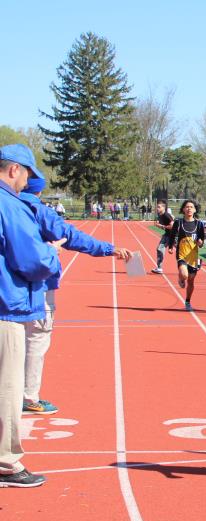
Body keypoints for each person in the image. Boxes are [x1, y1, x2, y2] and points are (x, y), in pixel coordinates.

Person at [19, 176, 131, 413]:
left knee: (11, 339)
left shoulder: (7, 205)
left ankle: (10, 394)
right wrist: (109, 249)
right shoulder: (38, 211)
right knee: (36, 337)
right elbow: (71, 236)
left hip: (8, 285)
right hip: (37, 286)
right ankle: (28, 398)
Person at [0, 144, 62, 488]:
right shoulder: (9, 205)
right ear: (14, 170)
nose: (27, 184)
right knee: (8, 389)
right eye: (27, 175)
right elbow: (31, 262)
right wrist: (52, 254)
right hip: (5, 309)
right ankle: (6, 464)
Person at [166, 200, 205, 311]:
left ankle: (187, 301)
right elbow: (172, 235)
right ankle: (181, 278)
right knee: (184, 275)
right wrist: (170, 247)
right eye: (187, 207)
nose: (189, 209)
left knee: (191, 281)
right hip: (181, 254)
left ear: (195, 210)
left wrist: (200, 242)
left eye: (191, 207)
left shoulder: (199, 224)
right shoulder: (178, 222)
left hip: (193, 256)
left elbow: (201, 241)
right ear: (183, 209)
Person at [151, 199, 174, 274]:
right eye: (157, 207)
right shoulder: (160, 215)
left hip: (174, 235)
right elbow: (161, 224)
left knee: (181, 250)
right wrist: (159, 225)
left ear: (163, 208)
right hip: (167, 234)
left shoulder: (166, 215)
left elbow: (172, 226)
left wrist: (162, 226)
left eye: (159, 207)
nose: (157, 208)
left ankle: (195, 261)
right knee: (159, 249)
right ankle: (159, 268)